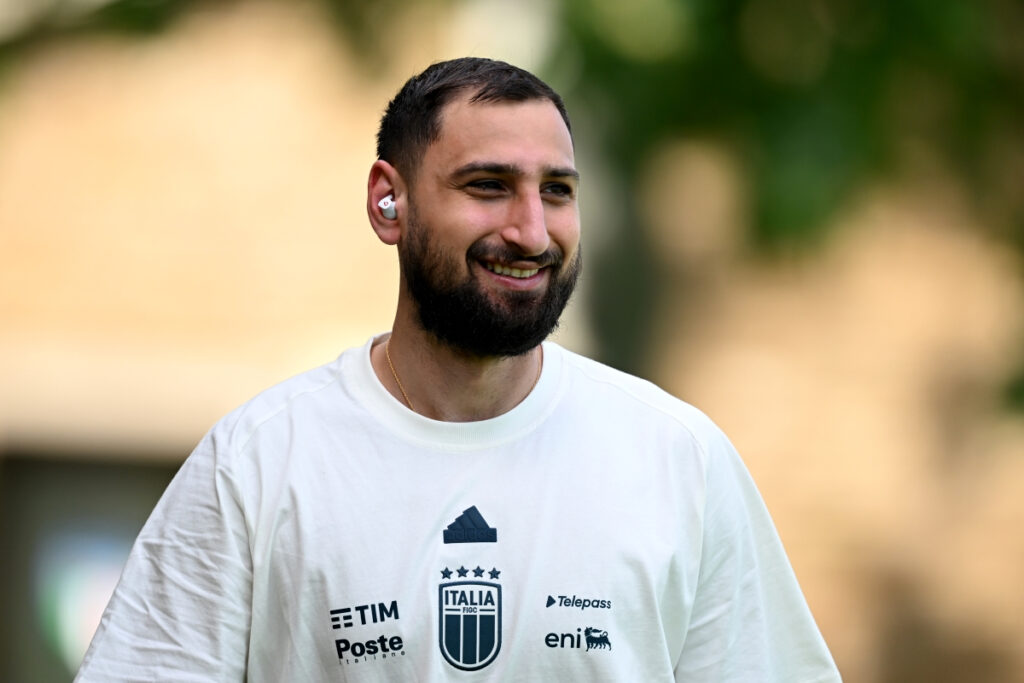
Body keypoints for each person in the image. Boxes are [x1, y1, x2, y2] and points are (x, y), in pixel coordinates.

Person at [76, 57, 841, 682]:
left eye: (558, 192)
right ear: (388, 202)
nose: (532, 230)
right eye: (489, 186)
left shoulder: (678, 458)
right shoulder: (261, 462)